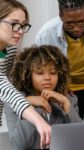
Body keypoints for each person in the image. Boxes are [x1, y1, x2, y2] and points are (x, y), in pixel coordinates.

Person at [4, 44, 81, 150]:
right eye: (40, 73)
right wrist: (30, 105)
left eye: (53, 73)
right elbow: (20, 145)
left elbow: (80, 138)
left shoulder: (68, 98)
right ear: (27, 75)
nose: (47, 78)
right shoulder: (14, 101)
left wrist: (66, 103)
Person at [0, 0, 50, 148]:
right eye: (14, 24)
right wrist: (38, 121)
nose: (20, 31)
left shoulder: (10, 48)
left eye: (23, 25)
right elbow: (3, 86)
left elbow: (8, 81)